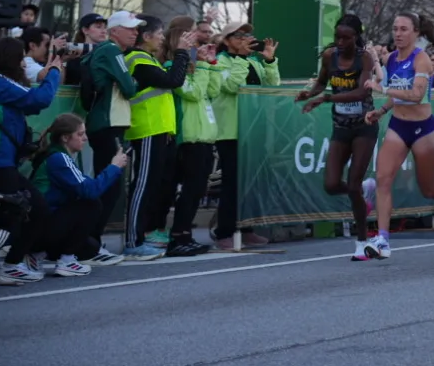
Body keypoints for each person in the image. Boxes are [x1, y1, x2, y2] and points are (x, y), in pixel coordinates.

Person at [361, 13, 434, 259]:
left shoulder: (422, 60)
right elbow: (396, 91)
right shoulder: (390, 58)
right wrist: (382, 110)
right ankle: (382, 240)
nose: (398, 34)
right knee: (383, 179)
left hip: (424, 130)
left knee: (427, 189)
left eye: (404, 29)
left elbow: (417, 94)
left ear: (416, 32)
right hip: (398, 126)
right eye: (395, 28)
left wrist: (382, 88)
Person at [0, 37, 61, 283]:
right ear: (10, 59)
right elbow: (39, 100)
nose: (25, 63)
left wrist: (44, 76)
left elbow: (30, 104)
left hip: (0, 163)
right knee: (10, 224)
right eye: (21, 58)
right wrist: (54, 72)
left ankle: (12, 265)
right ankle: (10, 264)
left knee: (34, 212)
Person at [296, 14, 379, 260]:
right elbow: (322, 82)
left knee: (352, 183)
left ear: (356, 37)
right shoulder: (329, 56)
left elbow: (359, 94)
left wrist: (326, 98)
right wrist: (310, 93)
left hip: (364, 125)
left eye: (346, 38)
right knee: (332, 185)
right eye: (337, 37)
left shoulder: (364, 58)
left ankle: (362, 241)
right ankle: (364, 191)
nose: (341, 42)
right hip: (341, 126)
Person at [120, 15, 193, 260]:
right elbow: (174, 80)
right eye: (159, 34)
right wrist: (182, 53)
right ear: (146, 36)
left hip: (160, 130)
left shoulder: (149, 59)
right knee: (142, 186)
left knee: (153, 187)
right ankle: (133, 241)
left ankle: (142, 236)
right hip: (146, 129)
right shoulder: (137, 59)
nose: (162, 38)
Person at [29, 112, 130, 276]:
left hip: (43, 223)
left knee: (90, 247)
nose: (85, 139)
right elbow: (90, 191)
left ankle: (41, 254)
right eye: (80, 134)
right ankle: (63, 259)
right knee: (91, 204)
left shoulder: (59, 155)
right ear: (65, 138)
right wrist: (114, 167)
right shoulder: (59, 158)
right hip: (40, 226)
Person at [79, 9, 144, 261]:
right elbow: (129, 88)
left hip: (106, 124)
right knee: (109, 188)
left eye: (137, 29)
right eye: (130, 28)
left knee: (108, 186)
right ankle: (89, 245)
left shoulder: (105, 51)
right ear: (115, 31)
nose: (135, 33)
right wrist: (131, 82)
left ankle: (89, 242)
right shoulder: (110, 50)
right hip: (108, 124)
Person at [212, 19, 282, 249]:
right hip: (230, 131)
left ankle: (247, 227)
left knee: (251, 183)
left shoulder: (253, 62)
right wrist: (241, 59)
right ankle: (225, 231)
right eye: (238, 35)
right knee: (232, 183)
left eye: (246, 35)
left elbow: (272, 85)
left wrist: (270, 61)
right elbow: (233, 86)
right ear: (226, 40)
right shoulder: (219, 62)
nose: (244, 39)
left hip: (254, 129)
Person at [160, 15, 213, 258]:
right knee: (189, 189)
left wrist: (206, 63)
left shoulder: (193, 66)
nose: (197, 39)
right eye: (191, 34)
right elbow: (193, 93)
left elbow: (211, 90)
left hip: (203, 136)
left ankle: (185, 235)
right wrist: (201, 67)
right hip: (188, 136)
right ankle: (178, 235)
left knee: (198, 189)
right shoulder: (172, 67)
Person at [64, 13, 108, 86]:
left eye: (105, 27)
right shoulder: (72, 54)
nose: (104, 31)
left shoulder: (108, 53)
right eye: (98, 27)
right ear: (85, 30)